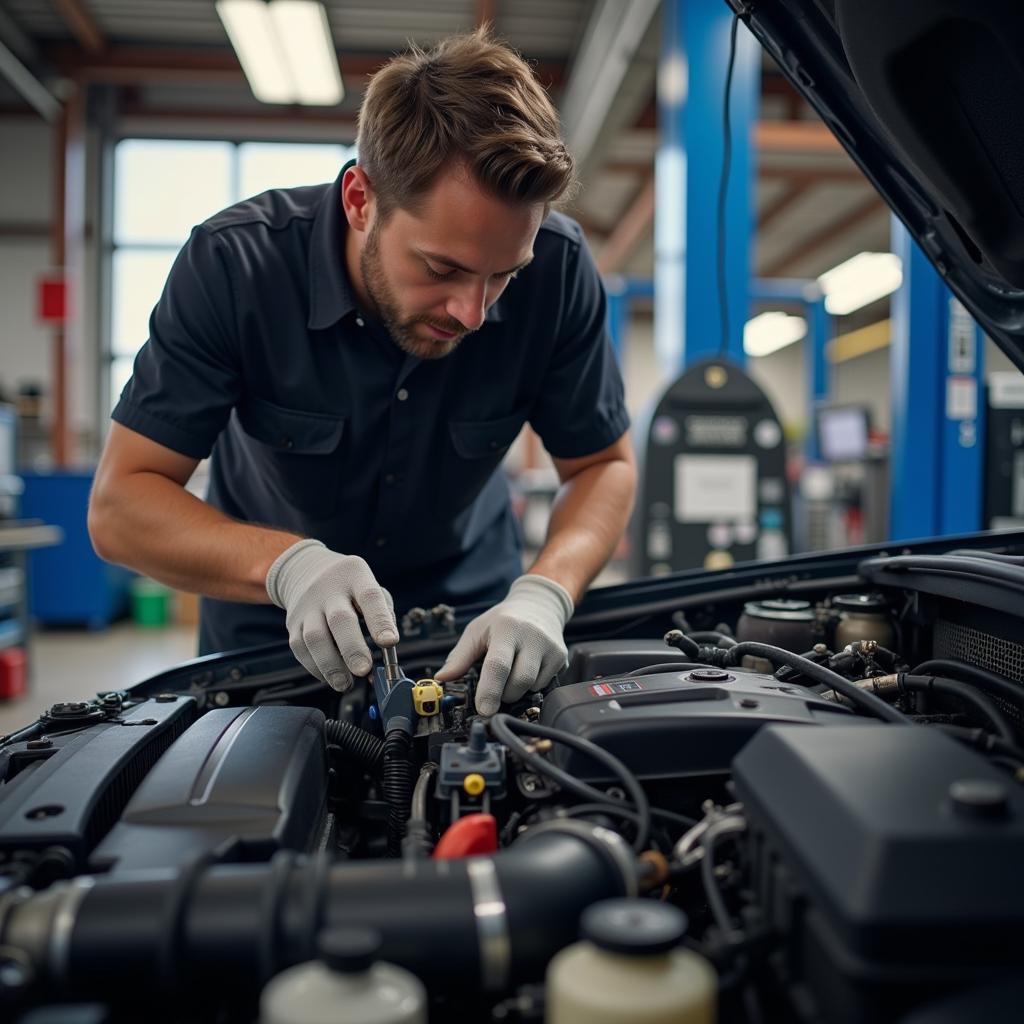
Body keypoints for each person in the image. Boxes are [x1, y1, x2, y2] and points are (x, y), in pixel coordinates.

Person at [88, 29, 637, 716]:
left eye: (504, 276)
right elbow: (121, 507)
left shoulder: (558, 270)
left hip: (476, 631)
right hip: (274, 633)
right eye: (443, 268)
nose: (472, 312)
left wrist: (546, 592)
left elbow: (603, 467)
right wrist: (290, 567)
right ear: (359, 200)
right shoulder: (235, 268)